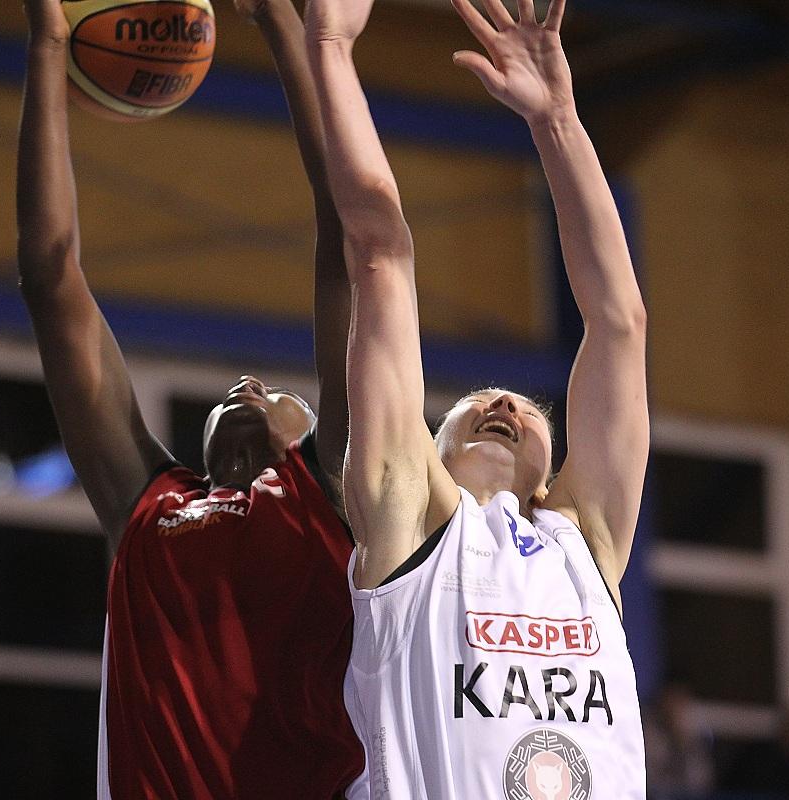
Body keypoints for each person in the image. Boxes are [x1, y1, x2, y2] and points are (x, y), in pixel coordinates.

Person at [17, 1, 363, 798]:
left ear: (317, 437)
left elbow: (348, 241)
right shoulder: (144, 504)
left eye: (277, 393)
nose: (251, 384)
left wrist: (283, 26)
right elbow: (50, 276)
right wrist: (47, 44)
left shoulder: (334, 497)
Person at [305, 0, 650, 794]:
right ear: (430, 450)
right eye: (478, 403)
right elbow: (380, 252)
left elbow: (619, 323)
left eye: (525, 409)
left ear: (551, 476)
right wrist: (329, 46)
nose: (503, 406)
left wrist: (558, 122)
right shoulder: (408, 519)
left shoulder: (584, 547)